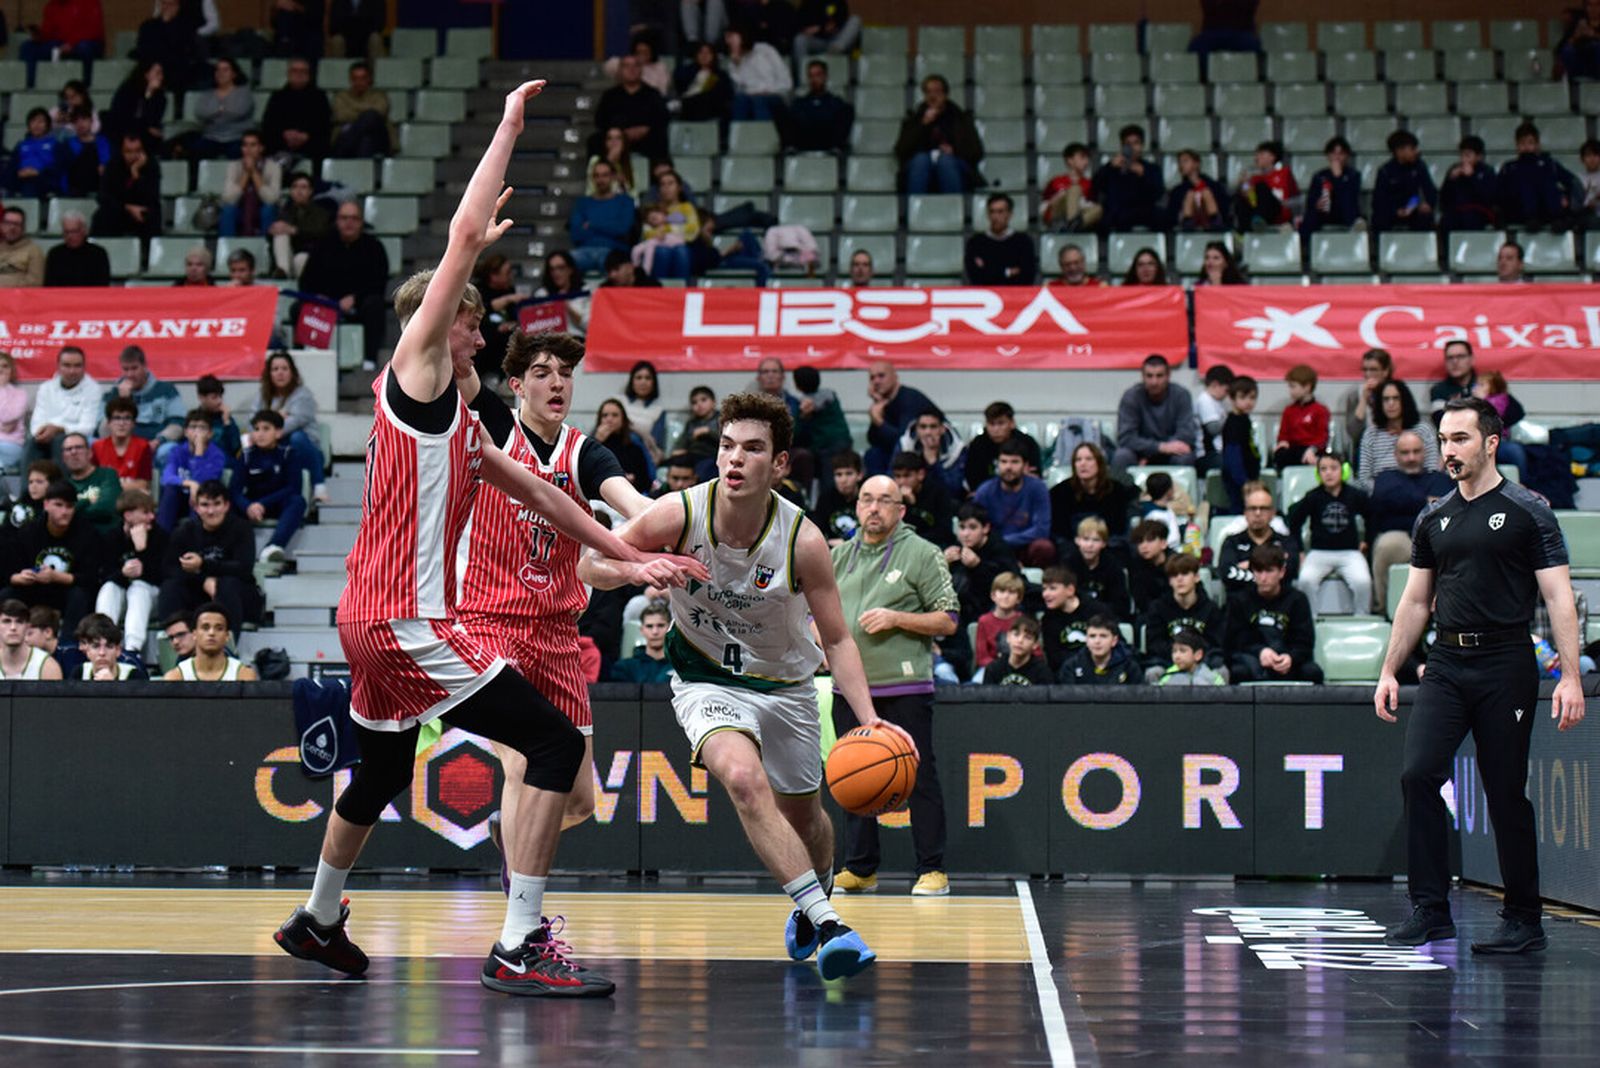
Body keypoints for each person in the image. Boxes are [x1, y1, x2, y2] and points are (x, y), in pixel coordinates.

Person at [273, 80, 692, 998]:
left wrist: (631, 555)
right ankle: (518, 943)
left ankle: (317, 918)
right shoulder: (418, 371)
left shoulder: (467, 424)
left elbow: (543, 498)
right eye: (468, 313)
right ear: (442, 321)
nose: (479, 322)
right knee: (551, 748)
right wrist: (507, 127)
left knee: (380, 768)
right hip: (410, 619)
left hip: (368, 620)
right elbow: (461, 242)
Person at [580, 397, 912, 974]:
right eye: (727, 445)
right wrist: (637, 569)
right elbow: (590, 564)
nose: (735, 459)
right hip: (706, 679)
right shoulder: (678, 514)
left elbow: (836, 639)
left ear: (779, 464)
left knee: (806, 818)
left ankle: (816, 902)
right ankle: (828, 921)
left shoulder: (803, 541)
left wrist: (867, 715)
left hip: (787, 686)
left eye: (752, 448)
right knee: (740, 777)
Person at [1376, 396, 1585, 954]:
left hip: (1504, 664)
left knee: (1504, 792)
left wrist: (1569, 676)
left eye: (1460, 439)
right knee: (1418, 774)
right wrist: (1389, 669)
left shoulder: (1528, 509)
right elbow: (1416, 601)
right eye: (1444, 439)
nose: (1449, 450)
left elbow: (1559, 595)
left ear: (1491, 443)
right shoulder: (1432, 515)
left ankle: (1523, 918)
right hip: (1446, 662)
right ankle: (1430, 909)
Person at [455, 330, 657, 847]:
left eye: (566, 373)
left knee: (579, 802)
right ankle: (521, 916)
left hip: (557, 633)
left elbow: (635, 510)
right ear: (518, 386)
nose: (557, 383)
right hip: (490, 625)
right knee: (525, 760)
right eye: (543, 373)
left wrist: (669, 541)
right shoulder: (496, 432)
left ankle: (511, 834)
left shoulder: (586, 455)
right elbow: (459, 372)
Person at [298, 200, 391, 367]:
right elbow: (306, 282)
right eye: (344, 218)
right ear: (337, 221)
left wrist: (354, 298)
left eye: (354, 218)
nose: (349, 222)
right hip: (326, 304)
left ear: (361, 222)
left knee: (375, 305)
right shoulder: (322, 245)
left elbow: (379, 282)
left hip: (358, 304)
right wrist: (321, 298)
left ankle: (369, 361)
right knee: (298, 308)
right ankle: (304, 358)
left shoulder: (374, 247)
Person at [1, 480, 102, 632]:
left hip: (65, 592)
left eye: (69, 506)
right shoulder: (29, 532)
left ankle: (69, 647)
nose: (65, 512)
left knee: (80, 596)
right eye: (59, 505)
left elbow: (91, 578)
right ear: (46, 504)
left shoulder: (87, 533)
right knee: (7, 593)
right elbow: (8, 570)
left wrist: (56, 577)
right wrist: (19, 577)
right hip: (33, 589)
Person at [1369, 430, 1453, 612]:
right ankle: (1384, 610)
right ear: (1395, 455)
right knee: (1388, 545)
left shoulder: (1440, 479)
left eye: (1416, 451)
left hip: (1434, 535)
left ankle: (1444, 612)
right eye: (1405, 453)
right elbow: (1382, 500)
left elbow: (1447, 506)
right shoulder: (1385, 478)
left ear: (1424, 452)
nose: (1411, 457)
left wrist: (1404, 504)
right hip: (1398, 535)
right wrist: (1424, 502)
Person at [158, 478, 258, 628]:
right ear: (196, 507)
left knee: (227, 585)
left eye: (217, 504)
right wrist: (203, 580)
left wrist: (203, 565)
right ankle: (172, 641)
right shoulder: (185, 531)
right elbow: (169, 568)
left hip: (237, 595)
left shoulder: (242, 528)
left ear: (226, 506)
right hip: (198, 591)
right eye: (205, 505)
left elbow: (243, 568)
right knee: (170, 586)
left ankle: (227, 647)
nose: (211, 511)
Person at [1224, 542, 1322, 683]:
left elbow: (1304, 641)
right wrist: (1260, 652)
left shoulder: (1297, 599)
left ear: (1281, 572)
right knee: (1238, 672)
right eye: (1258, 571)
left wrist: (1290, 657)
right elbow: (1234, 640)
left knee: (1312, 673)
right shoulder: (1239, 600)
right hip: (1253, 659)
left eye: (1269, 571)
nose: (1263, 578)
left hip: (1289, 660)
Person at [1289, 451, 1372, 614]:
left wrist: (1367, 540)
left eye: (1334, 468)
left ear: (1344, 471)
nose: (1328, 473)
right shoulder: (1312, 496)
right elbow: (1293, 520)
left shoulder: (1356, 495)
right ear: (1318, 473)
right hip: (1319, 552)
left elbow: (1372, 517)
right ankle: (1310, 620)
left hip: (1350, 553)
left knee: (1363, 582)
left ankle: (1362, 617)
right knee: (1305, 580)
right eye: (1324, 469)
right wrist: (1299, 550)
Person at [239, 351, 326, 501]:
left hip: (305, 449)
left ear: (292, 372)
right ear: (269, 374)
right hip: (274, 446)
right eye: (275, 369)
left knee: (296, 437)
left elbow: (294, 422)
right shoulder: (262, 395)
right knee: (246, 440)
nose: (280, 373)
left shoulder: (303, 395)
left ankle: (319, 485)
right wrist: (278, 416)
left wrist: (267, 422)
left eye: (285, 369)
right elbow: (252, 422)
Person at [95, 488, 165, 656]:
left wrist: (142, 551)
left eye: (152, 512)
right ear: (128, 516)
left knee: (139, 587)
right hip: (121, 600)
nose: (152, 517)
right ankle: (101, 643)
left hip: (151, 599)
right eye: (146, 512)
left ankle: (132, 651)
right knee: (109, 587)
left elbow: (165, 576)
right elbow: (102, 576)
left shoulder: (160, 536)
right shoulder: (112, 537)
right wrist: (123, 573)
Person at [232, 410, 308, 564]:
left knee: (298, 501)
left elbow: (293, 487)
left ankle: (272, 548)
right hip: (252, 506)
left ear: (278, 432)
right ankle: (235, 553)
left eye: (266, 429)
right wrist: (248, 506)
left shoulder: (288, 454)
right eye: (257, 429)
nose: (260, 434)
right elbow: (234, 490)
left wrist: (262, 504)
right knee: (228, 503)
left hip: (277, 504)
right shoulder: (246, 456)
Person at [894, 74, 983, 195]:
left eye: (937, 91)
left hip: (954, 164)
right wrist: (922, 125)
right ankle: (916, 208)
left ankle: (952, 209)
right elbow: (901, 151)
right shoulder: (913, 119)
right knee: (921, 161)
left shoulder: (961, 119)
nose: (932, 96)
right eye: (928, 92)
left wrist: (955, 150)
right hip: (921, 166)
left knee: (945, 161)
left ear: (945, 95)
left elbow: (976, 152)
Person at [1140, 553, 1225, 675]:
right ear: (1170, 581)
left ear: (1196, 577)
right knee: (1153, 672)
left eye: (1185, 573)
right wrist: (1179, 654)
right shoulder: (1158, 608)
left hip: (1202, 661)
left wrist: (1192, 656)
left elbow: (1216, 643)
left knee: (1221, 671)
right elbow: (1155, 643)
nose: (1179, 579)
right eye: (1174, 575)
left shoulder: (1210, 608)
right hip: (1168, 661)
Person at [972, 441, 1054, 567]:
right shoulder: (985, 491)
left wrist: (1005, 541)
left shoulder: (1038, 488)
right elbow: (976, 527)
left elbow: (1041, 530)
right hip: (993, 549)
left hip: (1025, 547)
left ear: (1025, 466)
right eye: (1003, 462)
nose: (1008, 467)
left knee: (1043, 547)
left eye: (1014, 462)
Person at [1113, 354, 1198, 472]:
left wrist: (1159, 451)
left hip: (1170, 453)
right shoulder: (1131, 397)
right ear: (1142, 377)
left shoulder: (1181, 395)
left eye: (1159, 376)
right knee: (1121, 456)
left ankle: (1179, 491)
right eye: (1149, 376)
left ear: (1168, 376)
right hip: (1141, 452)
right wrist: (1160, 448)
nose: (1154, 382)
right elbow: (1126, 438)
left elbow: (1186, 434)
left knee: (1185, 457)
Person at [1356, 378, 1440, 490]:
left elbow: (1432, 470)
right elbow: (1364, 477)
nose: (1391, 403)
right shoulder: (1371, 434)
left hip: (1420, 494)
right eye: (1386, 399)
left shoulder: (1423, 430)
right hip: (1383, 495)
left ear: (1404, 401)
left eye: (1396, 398)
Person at [104, 346, 183, 462]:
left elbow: (178, 424)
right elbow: (102, 430)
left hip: (156, 446)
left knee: (169, 450)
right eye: (126, 369)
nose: (130, 374)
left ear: (144, 366)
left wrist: (158, 441)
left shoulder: (166, 390)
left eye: (134, 368)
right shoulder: (113, 394)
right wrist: (122, 402)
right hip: (122, 445)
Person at [1216, 480, 1299, 591]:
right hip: (1240, 605)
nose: (1257, 513)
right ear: (1245, 513)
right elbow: (1227, 575)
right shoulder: (1232, 542)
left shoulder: (1286, 542)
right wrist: (1271, 573)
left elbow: (1290, 571)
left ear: (1272, 513)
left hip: (1279, 605)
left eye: (1263, 508)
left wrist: (1248, 566)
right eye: (1252, 508)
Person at [945, 502, 1018, 625]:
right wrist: (944, 563)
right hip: (962, 609)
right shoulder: (955, 549)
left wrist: (978, 566)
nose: (966, 534)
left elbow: (1010, 583)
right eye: (962, 527)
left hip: (992, 606)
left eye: (972, 527)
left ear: (985, 528)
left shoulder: (1000, 548)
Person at [591, 53, 669, 162]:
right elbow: (600, 120)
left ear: (641, 70)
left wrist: (644, 130)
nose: (631, 69)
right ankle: (602, 173)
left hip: (646, 138)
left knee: (659, 139)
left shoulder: (653, 94)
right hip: (617, 137)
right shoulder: (610, 95)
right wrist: (619, 133)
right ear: (620, 70)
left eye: (636, 66)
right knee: (595, 140)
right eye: (626, 66)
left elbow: (662, 118)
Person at [28, 347, 100, 465]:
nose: (72, 371)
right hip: (46, 438)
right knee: (31, 443)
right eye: (67, 365)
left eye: (77, 366)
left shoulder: (93, 389)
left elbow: (88, 428)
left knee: (61, 442)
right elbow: (36, 423)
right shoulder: (46, 388)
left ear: (84, 367)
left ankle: (63, 484)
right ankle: (29, 484)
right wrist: (42, 434)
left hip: (76, 437)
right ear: (58, 366)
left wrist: (59, 430)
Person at [1496, 121, 1573, 231]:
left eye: (1530, 143)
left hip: (1547, 210)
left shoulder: (1549, 164)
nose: (1526, 147)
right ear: (1517, 145)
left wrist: (1566, 197)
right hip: (1519, 211)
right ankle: (1532, 218)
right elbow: (1499, 193)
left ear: (1537, 145)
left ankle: (1557, 218)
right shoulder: (1509, 167)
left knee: (1547, 183)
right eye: (1522, 143)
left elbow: (1571, 182)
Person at [863, 361, 932, 476]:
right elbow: (873, 440)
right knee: (873, 454)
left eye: (881, 376)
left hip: (925, 454)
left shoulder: (909, 398)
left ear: (895, 377)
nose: (876, 381)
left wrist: (879, 421)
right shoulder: (884, 402)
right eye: (872, 378)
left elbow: (903, 441)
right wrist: (878, 404)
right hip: (900, 455)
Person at [569, 159, 637, 275]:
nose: (600, 180)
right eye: (597, 176)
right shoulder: (582, 203)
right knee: (565, 262)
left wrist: (591, 224)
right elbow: (576, 234)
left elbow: (622, 229)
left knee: (612, 264)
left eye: (605, 175)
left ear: (613, 177)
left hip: (614, 251)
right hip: (584, 251)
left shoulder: (625, 202)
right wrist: (609, 225)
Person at [1038, 565, 1109, 674]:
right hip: (1068, 674)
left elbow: (1114, 643)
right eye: (1044, 589)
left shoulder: (1097, 610)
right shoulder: (1048, 620)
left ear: (1070, 590)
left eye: (1052, 588)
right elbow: (1054, 659)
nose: (1045, 594)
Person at [1093, 124, 1164, 232]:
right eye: (1128, 144)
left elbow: (1158, 193)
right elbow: (1096, 187)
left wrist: (1143, 174)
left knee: (1162, 216)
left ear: (1142, 145)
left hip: (1144, 210)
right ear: (1122, 146)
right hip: (1118, 212)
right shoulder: (1112, 167)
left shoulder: (1152, 168)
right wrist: (1110, 167)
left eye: (1136, 143)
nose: (1132, 147)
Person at [162, 600, 254, 680]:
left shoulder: (243, 675)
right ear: (194, 634)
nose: (211, 633)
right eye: (205, 628)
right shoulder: (176, 676)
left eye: (219, 628)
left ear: (227, 636)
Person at [262, 57, 331, 161]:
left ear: (309, 74)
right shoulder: (277, 96)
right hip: (281, 143)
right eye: (295, 71)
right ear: (288, 73)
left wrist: (306, 136)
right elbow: (268, 123)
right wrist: (285, 134)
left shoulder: (319, 97)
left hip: (312, 144)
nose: (299, 74)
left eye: (303, 71)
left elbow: (324, 123)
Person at [92, 134, 161, 239]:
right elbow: (103, 196)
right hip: (120, 209)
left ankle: (147, 254)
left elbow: (151, 197)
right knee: (102, 216)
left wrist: (135, 173)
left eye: (137, 151)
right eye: (128, 151)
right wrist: (127, 208)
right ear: (122, 152)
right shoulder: (113, 165)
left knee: (152, 216)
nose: (133, 156)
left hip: (142, 210)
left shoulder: (151, 165)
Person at [964, 402, 1041, 493]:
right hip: (987, 496)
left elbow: (1035, 477)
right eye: (991, 424)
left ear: (1012, 423)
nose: (996, 429)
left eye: (1001, 423)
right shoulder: (978, 444)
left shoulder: (1027, 443)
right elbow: (972, 478)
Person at [1371, 131, 1438, 233]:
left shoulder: (1419, 166)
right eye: (1412, 149)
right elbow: (1379, 200)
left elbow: (1429, 190)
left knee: (1425, 217)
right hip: (1392, 209)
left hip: (1412, 206)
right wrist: (1395, 211)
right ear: (1399, 151)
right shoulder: (1385, 171)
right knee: (1379, 219)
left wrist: (1427, 204)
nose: (1416, 152)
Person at [781, 59, 853, 153]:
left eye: (818, 75)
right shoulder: (799, 103)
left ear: (825, 76)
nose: (814, 79)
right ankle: (791, 147)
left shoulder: (836, 103)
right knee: (782, 110)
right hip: (804, 141)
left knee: (848, 109)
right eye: (811, 76)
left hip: (828, 141)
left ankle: (837, 147)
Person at [964, 194, 1037, 286]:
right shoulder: (975, 243)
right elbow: (976, 277)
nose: (995, 216)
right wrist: (1008, 272)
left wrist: (989, 270)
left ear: (1009, 214)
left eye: (1000, 212)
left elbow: (1027, 277)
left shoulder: (1023, 242)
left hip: (1015, 296)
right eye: (992, 212)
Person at [188, 57, 254, 159]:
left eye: (225, 70)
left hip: (237, 137)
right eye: (218, 70)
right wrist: (221, 110)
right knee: (195, 151)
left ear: (234, 74)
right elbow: (199, 113)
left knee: (240, 152)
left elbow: (239, 111)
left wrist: (213, 114)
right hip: (211, 137)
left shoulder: (243, 92)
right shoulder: (208, 94)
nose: (220, 73)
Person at [269, 172, 330, 279]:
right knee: (280, 235)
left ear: (310, 191)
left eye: (303, 187)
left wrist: (294, 230)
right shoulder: (285, 211)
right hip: (288, 257)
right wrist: (272, 230)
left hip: (309, 257)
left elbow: (319, 233)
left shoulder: (321, 212)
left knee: (300, 258)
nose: (299, 191)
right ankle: (283, 272)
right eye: (295, 187)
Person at [219, 130, 281, 237]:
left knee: (268, 209)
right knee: (228, 210)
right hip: (240, 209)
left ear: (261, 148)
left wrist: (254, 172)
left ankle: (265, 247)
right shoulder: (234, 166)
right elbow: (229, 199)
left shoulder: (273, 167)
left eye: (253, 145)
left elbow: (271, 199)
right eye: (245, 145)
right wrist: (246, 173)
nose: (248, 150)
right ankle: (227, 248)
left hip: (263, 209)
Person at [724, 25, 791, 122]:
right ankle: (738, 135)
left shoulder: (765, 50)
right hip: (750, 99)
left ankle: (763, 135)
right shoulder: (733, 63)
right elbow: (739, 90)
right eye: (726, 38)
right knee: (740, 100)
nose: (728, 41)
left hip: (776, 95)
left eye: (731, 37)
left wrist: (766, 91)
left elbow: (786, 82)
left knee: (759, 100)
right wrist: (737, 65)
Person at [1069, 516, 1129, 619]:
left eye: (1096, 540)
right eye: (1085, 539)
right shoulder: (1067, 565)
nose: (1090, 545)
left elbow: (1120, 605)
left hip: (1106, 618)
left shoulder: (1113, 567)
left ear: (1104, 543)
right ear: (1077, 540)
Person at [1231, 139, 1299, 231]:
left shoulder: (1284, 173)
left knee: (1261, 187)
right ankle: (1246, 229)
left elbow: (1297, 197)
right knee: (1240, 198)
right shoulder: (1253, 178)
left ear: (1272, 157)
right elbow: (1251, 198)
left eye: (1261, 154)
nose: (1256, 158)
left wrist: (1286, 204)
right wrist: (1243, 184)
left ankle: (1258, 219)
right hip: (1256, 211)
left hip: (1278, 211)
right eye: (1256, 155)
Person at [898, 408, 964, 502]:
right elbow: (894, 475)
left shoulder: (956, 450)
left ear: (942, 429)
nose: (927, 432)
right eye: (923, 427)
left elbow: (954, 490)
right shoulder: (905, 444)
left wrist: (933, 462)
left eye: (933, 427)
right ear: (916, 429)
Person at [58, 432, 121, 530]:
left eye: (79, 447)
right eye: (68, 449)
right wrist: (87, 501)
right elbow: (59, 516)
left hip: (106, 537)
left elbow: (107, 508)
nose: (73, 452)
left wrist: (75, 509)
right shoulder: (63, 485)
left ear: (90, 453)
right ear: (63, 458)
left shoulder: (108, 475)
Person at [135, 0, 200, 95]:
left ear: (178, 7)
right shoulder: (148, 26)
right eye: (165, 3)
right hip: (150, 68)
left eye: (171, 4)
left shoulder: (186, 27)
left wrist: (167, 24)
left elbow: (182, 51)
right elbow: (143, 48)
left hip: (175, 70)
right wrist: (154, 66)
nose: (167, 7)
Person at [1300, 137, 1363, 234]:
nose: (1337, 157)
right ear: (1328, 156)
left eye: (1341, 154)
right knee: (1311, 216)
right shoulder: (1319, 176)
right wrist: (1317, 204)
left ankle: (1356, 228)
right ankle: (1303, 245)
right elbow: (1311, 200)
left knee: (1350, 210)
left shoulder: (1353, 175)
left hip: (1345, 211)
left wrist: (1338, 178)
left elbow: (1350, 199)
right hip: (1325, 212)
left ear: (1346, 156)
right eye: (1333, 153)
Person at [1273, 364, 1330, 470]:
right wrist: (1282, 442)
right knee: (1280, 454)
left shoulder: (1320, 410)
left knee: (1315, 458)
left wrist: (1312, 449)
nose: (1290, 390)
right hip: (1293, 449)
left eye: (1293, 386)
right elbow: (1283, 435)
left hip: (1312, 449)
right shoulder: (1288, 410)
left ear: (1307, 387)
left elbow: (1322, 437)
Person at [329, 61, 391, 157]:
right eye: (355, 78)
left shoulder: (380, 96)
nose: (359, 82)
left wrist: (354, 110)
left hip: (376, 142)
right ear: (350, 80)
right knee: (365, 140)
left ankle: (346, 146)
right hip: (347, 140)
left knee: (371, 117)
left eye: (363, 78)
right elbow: (340, 115)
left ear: (369, 79)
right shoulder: (340, 96)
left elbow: (379, 113)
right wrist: (366, 113)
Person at [105, 61, 167, 153]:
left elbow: (153, 122)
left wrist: (149, 95)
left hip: (145, 136)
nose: (161, 77)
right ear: (146, 74)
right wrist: (145, 127)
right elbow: (123, 119)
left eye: (162, 73)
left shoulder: (160, 98)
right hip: (122, 133)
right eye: (157, 73)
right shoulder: (127, 91)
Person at [1058, 614, 1139, 685]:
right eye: (1092, 636)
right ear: (1086, 640)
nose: (1097, 641)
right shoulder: (1071, 666)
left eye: (1103, 636)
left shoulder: (1129, 667)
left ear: (1114, 641)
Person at [1219, 375, 1261, 512]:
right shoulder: (1233, 424)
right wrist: (1243, 481)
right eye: (1243, 397)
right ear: (1232, 399)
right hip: (1238, 479)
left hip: (1248, 475)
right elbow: (1233, 456)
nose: (1249, 402)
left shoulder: (1244, 419)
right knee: (1240, 510)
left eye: (1252, 397)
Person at [591, 399, 652, 492]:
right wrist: (597, 441)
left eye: (615, 415)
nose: (609, 419)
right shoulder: (592, 445)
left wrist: (631, 479)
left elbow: (646, 481)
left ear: (623, 419)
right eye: (605, 415)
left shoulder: (634, 446)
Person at [1338, 349, 1391, 454]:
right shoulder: (1354, 395)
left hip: (1391, 446)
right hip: (1364, 448)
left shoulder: (1396, 393)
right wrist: (1363, 399)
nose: (1368, 374)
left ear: (1385, 371)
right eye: (1365, 369)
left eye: (1373, 370)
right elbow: (1353, 433)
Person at [1440, 135, 1497, 232]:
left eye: (1468, 155)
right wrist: (1450, 180)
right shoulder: (1454, 170)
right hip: (1457, 211)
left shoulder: (1487, 171)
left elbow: (1488, 198)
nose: (1464, 159)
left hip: (1479, 211)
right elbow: (1444, 199)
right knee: (1446, 221)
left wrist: (1472, 177)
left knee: (1470, 219)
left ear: (1479, 156)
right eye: (1462, 155)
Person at [792, 0, 860, 78]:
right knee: (799, 40)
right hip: (817, 42)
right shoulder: (808, 3)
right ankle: (802, 80)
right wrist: (821, 28)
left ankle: (834, 51)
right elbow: (801, 26)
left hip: (836, 43)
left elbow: (841, 20)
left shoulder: (839, 2)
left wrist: (830, 26)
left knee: (855, 20)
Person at [1042, 142, 1101, 233]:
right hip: (1058, 216)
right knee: (1075, 189)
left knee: (1099, 209)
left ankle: (1072, 226)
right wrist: (1062, 196)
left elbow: (1091, 205)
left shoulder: (1089, 184)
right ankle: (1072, 225)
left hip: (1080, 214)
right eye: (1082, 157)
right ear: (1070, 160)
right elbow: (1045, 206)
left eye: (1087, 158)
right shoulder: (1056, 181)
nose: (1086, 162)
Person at [3, 111, 61, 202]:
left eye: (41, 122)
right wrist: (19, 173)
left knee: (30, 186)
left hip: (45, 180)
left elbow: (58, 168)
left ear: (48, 125)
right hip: (21, 179)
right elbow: (11, 166)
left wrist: (38, 172)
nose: (36, 125)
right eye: (33, 121)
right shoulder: (21, 145)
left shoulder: (56, 145)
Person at [974, 570, 1026, 670]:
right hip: (991, 669)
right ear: (993, 595)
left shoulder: (1024, 621)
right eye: (1002, 591)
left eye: (1011, 592)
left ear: (1019, 598)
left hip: (1020, 668)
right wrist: (1000, 668)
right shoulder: (984, 621)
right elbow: (982, 657)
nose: (1006, 596)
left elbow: (1036, 653)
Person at [43, 210, 111, 287]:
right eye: (66, 232)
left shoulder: (99, 254)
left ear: (84, 231)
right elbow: (50, 286)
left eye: (74, 231)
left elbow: (102, 286)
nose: (70, 236)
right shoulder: (55, 254)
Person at [0, 598, 63, 679]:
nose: (13, 627)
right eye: (7, 621)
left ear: (27, 627)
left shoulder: (48, 666)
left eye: (19, 621)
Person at [810, 449, 863, 545]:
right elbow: (816, 532)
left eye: (849, 473)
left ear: (859, 475)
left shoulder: (867, 497)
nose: (843, 480)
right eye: (839, 474)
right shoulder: (826, 498)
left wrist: (844, 542)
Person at [981, 615, 1052, 685]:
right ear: (1008, 637)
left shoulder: (1042, 672)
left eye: (1027, 637)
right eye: (1016, 634)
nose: (1020, 640)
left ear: (1035, 645)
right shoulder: (994, 669)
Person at [610, 602, 672, 683]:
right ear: (642, 630)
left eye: (660, 625)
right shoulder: (625, 668)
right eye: (649, 626)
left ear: (670, 628)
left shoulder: (682, 667)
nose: (655, 632)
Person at [619, 360, 668, 461]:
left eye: (648, 378)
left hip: (641, 453)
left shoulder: (658, 411)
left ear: (653, 382)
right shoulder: (619, 402)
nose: (643, 382)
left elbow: (656, 443)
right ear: (632, 381)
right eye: (639, 378)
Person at [1167, 149, 1227, 232]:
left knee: (1206, 193)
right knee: (1190, 195)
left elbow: (1223, 206)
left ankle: (1214, 223)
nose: (1181, 165)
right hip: (1185, 222)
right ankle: (1188, 223)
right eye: (1180, 162)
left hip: (1209, 220)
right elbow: (1172, 214)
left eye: (1185, 161)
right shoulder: (1178, 190)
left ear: (1196, 164)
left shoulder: (1213, 186)